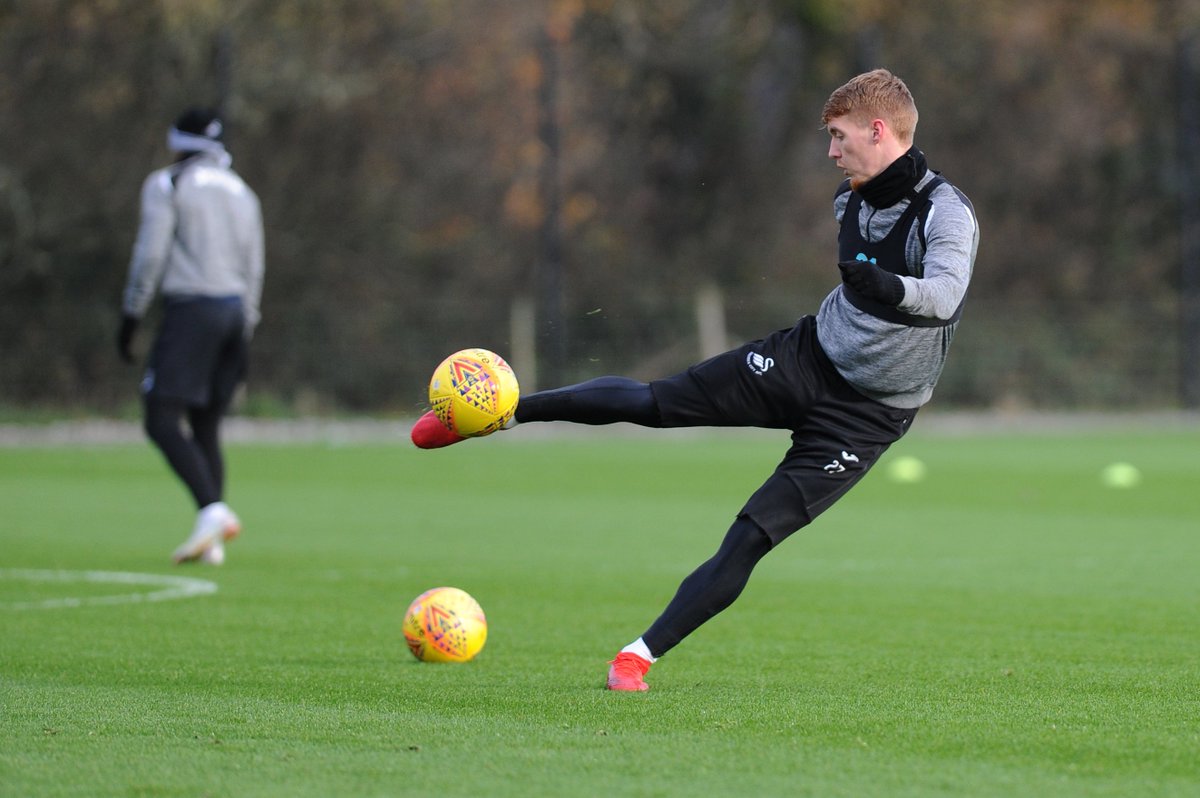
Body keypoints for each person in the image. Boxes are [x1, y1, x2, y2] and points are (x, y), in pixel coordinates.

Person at [411, 68, 979, 690]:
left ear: (878, 130)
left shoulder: (946, 210)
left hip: (867, 416)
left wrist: (890, 287)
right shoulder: (849, 197)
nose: (831, 151)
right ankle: (503, 413)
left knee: (752, 536)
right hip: (806, 358)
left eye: (840, 136)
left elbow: (947, 295)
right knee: (656, 402)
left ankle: (636, 657)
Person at [118, 107, 265, 566]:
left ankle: (212, 510)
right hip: (235, 314)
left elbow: (151, 253)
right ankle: (211, 541)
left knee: (159, 418)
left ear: (178, 141)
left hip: (192, 310)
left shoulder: (169, 183)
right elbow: (254, 266)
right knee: (205, 424)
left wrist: (131, 314)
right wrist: (247, 323)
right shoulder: (243, 191)